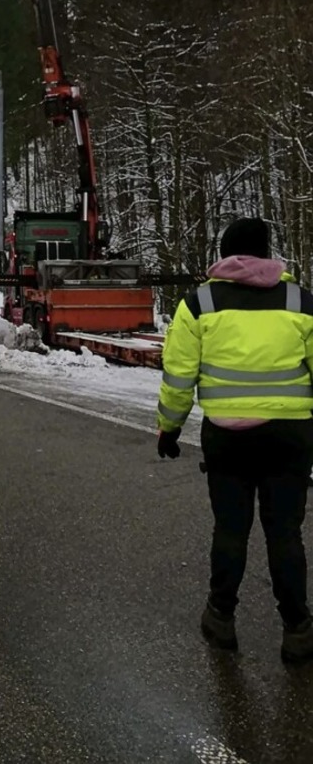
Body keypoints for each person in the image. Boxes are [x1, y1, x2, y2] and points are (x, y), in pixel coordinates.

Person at [156, 217, 313, 663]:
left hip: (228, 439)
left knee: (231, 529)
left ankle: (221, 617)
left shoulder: (199, 303)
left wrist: (169, 426)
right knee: (286, 534)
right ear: (267, 254)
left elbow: (179, 376)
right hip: (290, 438)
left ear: (225, 254)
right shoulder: (301, 301)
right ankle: (298, 629)